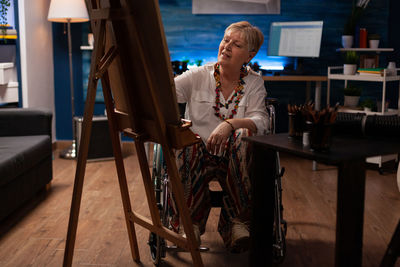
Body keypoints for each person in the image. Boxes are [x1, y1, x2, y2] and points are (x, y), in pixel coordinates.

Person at [171, 21, 268, 253]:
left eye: (236, 44)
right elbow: (164, 93)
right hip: (197, 157)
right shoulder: (197, 76)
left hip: (236, 160)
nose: (226, 47)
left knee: (245, 134)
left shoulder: (254, 83)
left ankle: (237, 224)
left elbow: (263, 122)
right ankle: (190, 225)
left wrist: (230, 124)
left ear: (249, 55)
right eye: (225, 40)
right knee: (186, 138)